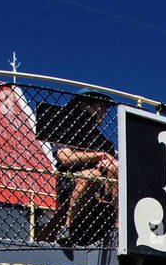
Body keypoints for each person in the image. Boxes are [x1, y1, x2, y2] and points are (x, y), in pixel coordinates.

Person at [41, 91, 118, 246]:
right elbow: (65, 157)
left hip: (103, 183)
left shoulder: (104, 141)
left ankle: (118, 225)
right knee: (92, 174)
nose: (104, 111)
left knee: (115, 167)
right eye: (100, 106)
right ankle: (67, 226)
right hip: (70, 180)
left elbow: (110, 163)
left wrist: (107, 162)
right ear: (83, 105)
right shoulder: (64, 129)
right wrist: (99, 155)